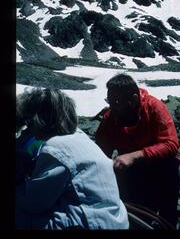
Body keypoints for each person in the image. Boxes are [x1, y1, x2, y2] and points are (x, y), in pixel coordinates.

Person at [16, 88, 129, 230]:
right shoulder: (79, 136)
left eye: (29, 122)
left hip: (92, 222)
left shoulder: (54, 148)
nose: (29, 129)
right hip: (116, 218)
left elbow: (34, 203)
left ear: (39, 120)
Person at [95, 74, 180, 228]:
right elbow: (101, 152)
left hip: (159, 167)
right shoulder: (110, 118)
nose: (112, 107)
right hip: (131, 171)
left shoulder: (154, 108)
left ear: (133, 100)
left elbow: (170, 144)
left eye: (117, 102)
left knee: (171, 166)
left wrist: (135, 156)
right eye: (110, 101)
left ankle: (168, 223)